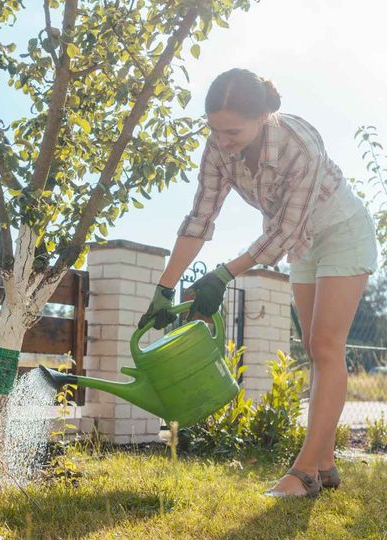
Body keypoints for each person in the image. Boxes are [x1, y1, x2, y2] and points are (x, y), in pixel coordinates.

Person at [139, 68, 378, 498]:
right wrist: (165, 287)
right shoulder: (218, 148)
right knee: (313, 345)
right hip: (303, 244)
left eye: (232, 131)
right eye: (214, 129)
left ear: (265, 115)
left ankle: (304, 472)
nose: (222, 141)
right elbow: (200, 218)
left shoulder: (299, 144)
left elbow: (283, 233)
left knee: (326, 345)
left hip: (341, 230)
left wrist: (224, 273)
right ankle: (325, 464)